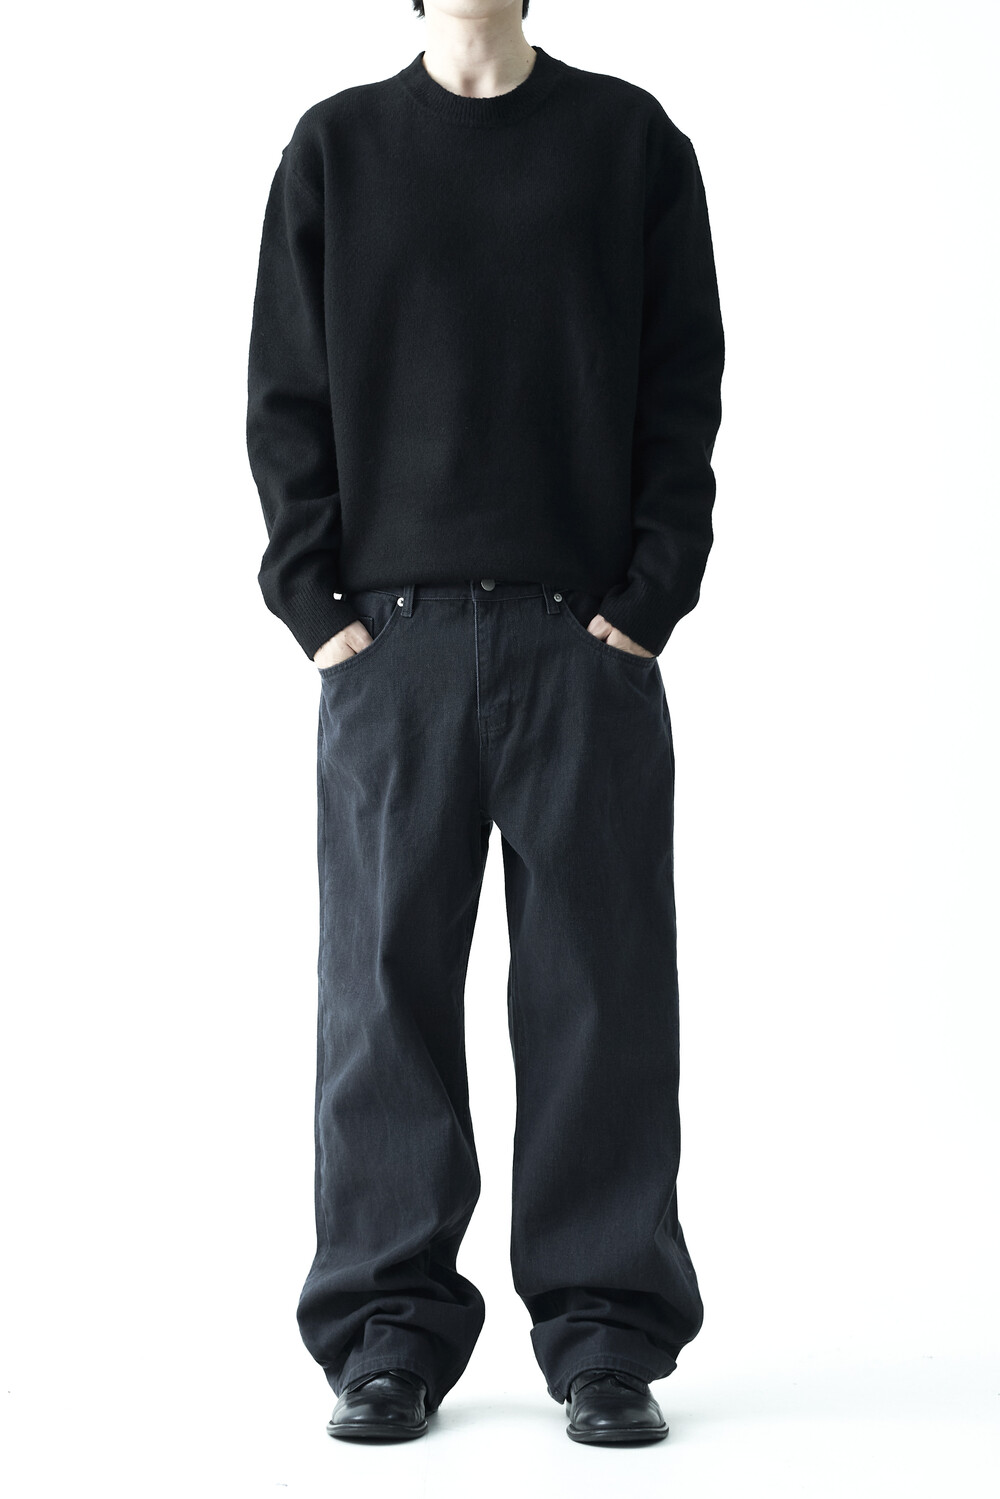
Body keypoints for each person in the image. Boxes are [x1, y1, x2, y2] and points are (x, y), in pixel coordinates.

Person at [246, 0, 724, 1447]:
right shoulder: (337, 152)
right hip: (388, 647)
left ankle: (607, 1334)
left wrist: (647, 599)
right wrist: (314, 605)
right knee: (381, 997)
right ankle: (385, 1333)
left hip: (581, 641)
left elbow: (682, 387)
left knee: (602, 991)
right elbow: (285, 396)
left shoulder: (629, 144)